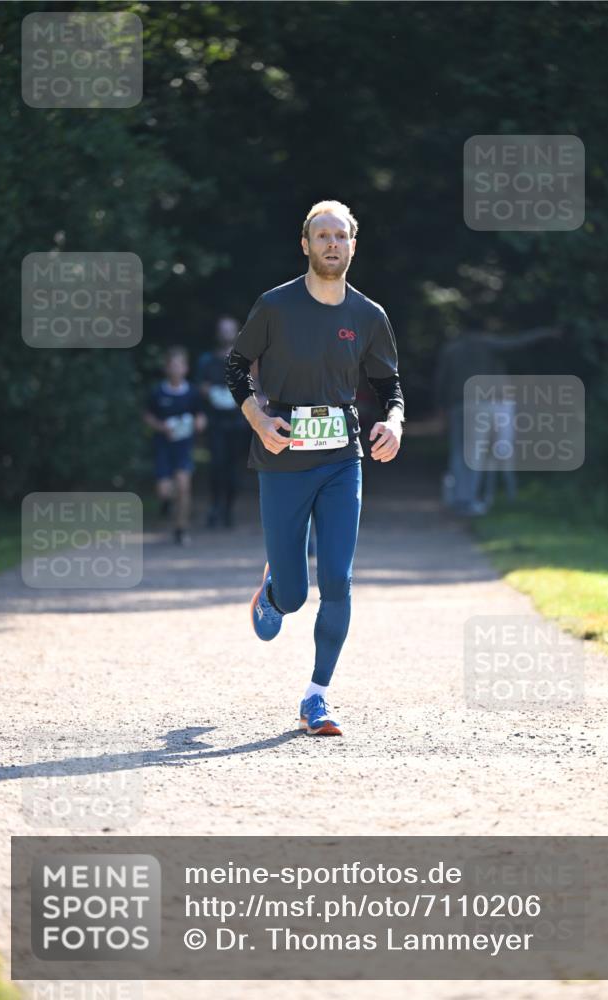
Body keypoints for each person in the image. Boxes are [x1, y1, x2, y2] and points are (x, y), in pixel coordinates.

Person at [225, 200, 405, 736]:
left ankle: (317, 697)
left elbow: (389, 386)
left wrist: (394, 423)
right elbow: (236, 367)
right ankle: (275, 591)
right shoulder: (275, 306)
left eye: (340, 236)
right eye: (322, 235)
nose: (332, 244)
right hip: (282, 457)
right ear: (305, 245)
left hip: (341, 459)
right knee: (296, 594)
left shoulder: (369, 316)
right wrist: (259, 419)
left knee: (337, 580)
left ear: (353, 245)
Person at [435, 326, 561, 515]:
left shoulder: (451, 349)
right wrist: (546, 333)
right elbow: (518, 342)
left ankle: (458, 498)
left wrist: (440, 407)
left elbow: (440, 380)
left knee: (458, 453)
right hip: (480, 405)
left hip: (456, 406)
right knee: (474, 454)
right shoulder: (488, 344)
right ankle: (467, 501)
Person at [144, 346, 206, 545]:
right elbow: (148, 416)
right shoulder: (157, 392)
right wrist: (161, 427)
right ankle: (168, 504)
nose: (176, 369)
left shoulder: (192, 393)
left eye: (180, 365)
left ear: (185, 368)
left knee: (184, 487)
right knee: (164, 491)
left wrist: (199, 423)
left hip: (184, 447)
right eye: (172, 365)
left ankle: (181, 528)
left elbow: (200, 415)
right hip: (163, 446)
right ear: (167, 368)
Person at [196, 316, 251, 529]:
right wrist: (209, 393)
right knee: (217, 464)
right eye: (222, 329)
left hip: (239, 422)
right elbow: (198, 387)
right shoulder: (207, 360)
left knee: (234, 467)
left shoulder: (246, 359)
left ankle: (228, 509)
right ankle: (215, 506)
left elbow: (258, 386)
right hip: (215, 422)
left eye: (229, 329)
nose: (226, 333)